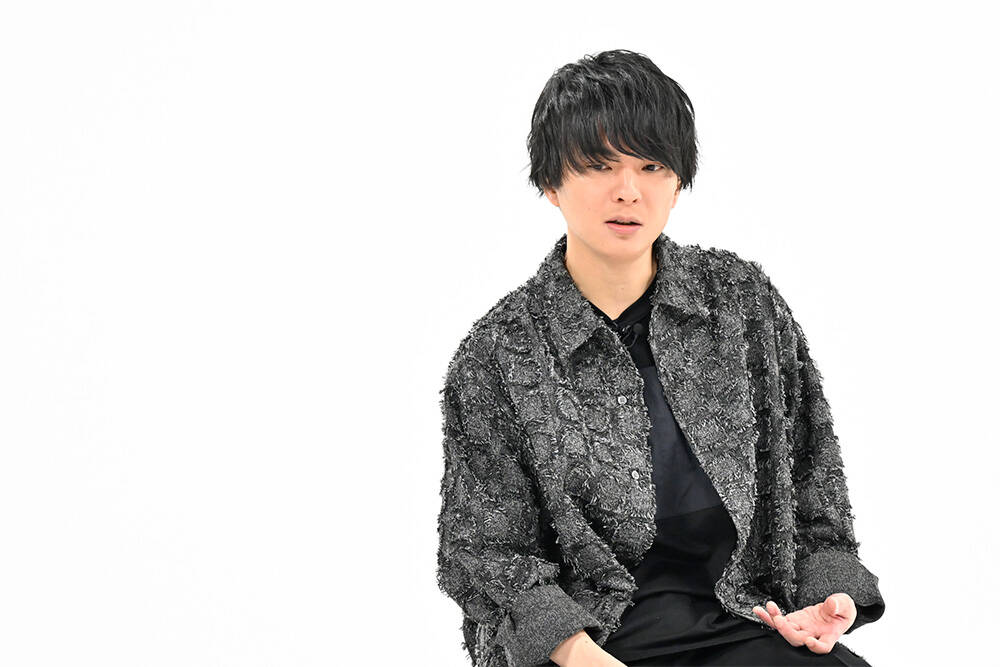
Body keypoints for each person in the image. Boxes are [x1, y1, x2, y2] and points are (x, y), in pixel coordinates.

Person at [435, 49, 885, 667]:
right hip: (588, 639)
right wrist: (577, 653)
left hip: (741, 613)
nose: (628, 191)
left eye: (651, 166)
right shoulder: (499, 353)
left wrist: (828, 596)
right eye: (599, 165)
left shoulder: (740, 302)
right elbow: (486, 553)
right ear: (550, 183)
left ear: (677, 182)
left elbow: (813, 479)